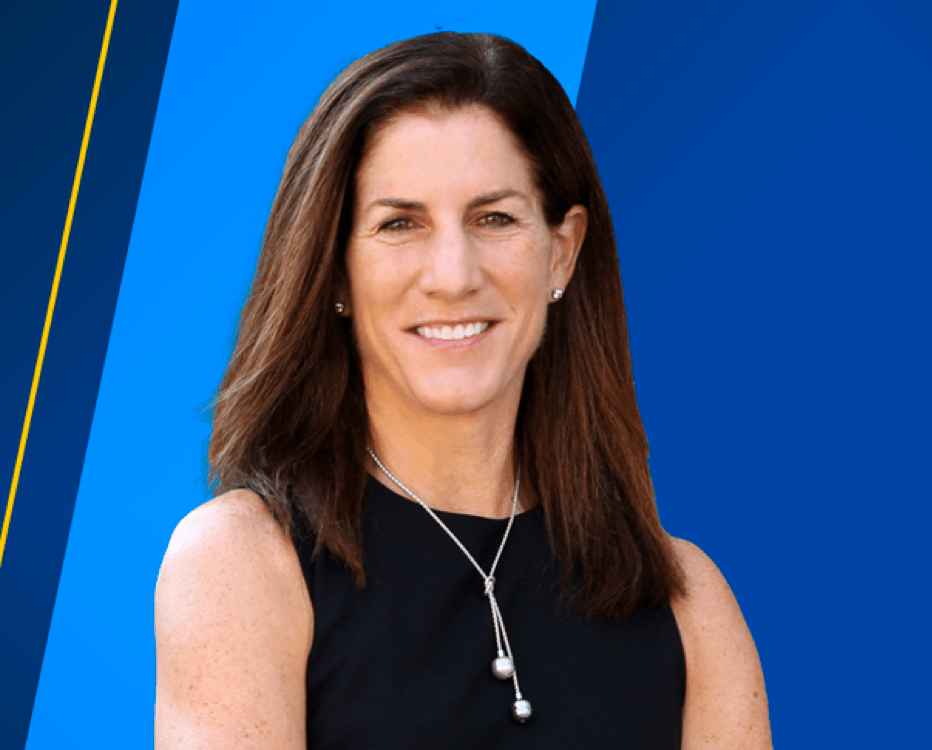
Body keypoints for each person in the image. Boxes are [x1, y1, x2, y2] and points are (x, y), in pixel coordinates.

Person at [153, 32, 772, 749]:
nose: (453, 275)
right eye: (399, 224)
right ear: (335, 270)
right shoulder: (242, 565)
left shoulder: (688, 604)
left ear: (561, 252)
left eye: (494, 219)